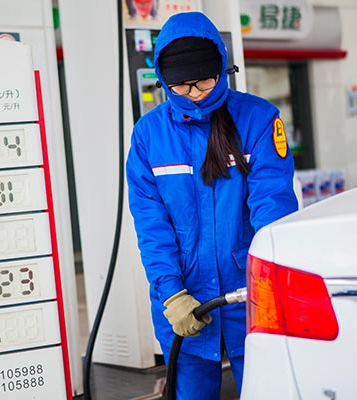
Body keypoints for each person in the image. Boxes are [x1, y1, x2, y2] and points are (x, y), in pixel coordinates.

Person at [125, 11, 298, 400]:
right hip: (185, 298)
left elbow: (273, 208)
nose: (196, 93)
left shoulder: (258, 119)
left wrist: (270, 280)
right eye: (182, 87)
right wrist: (171, 293)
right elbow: (151, 224)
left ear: (222, 66)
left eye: (204, 80)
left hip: (250, 294)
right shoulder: (149, 136)